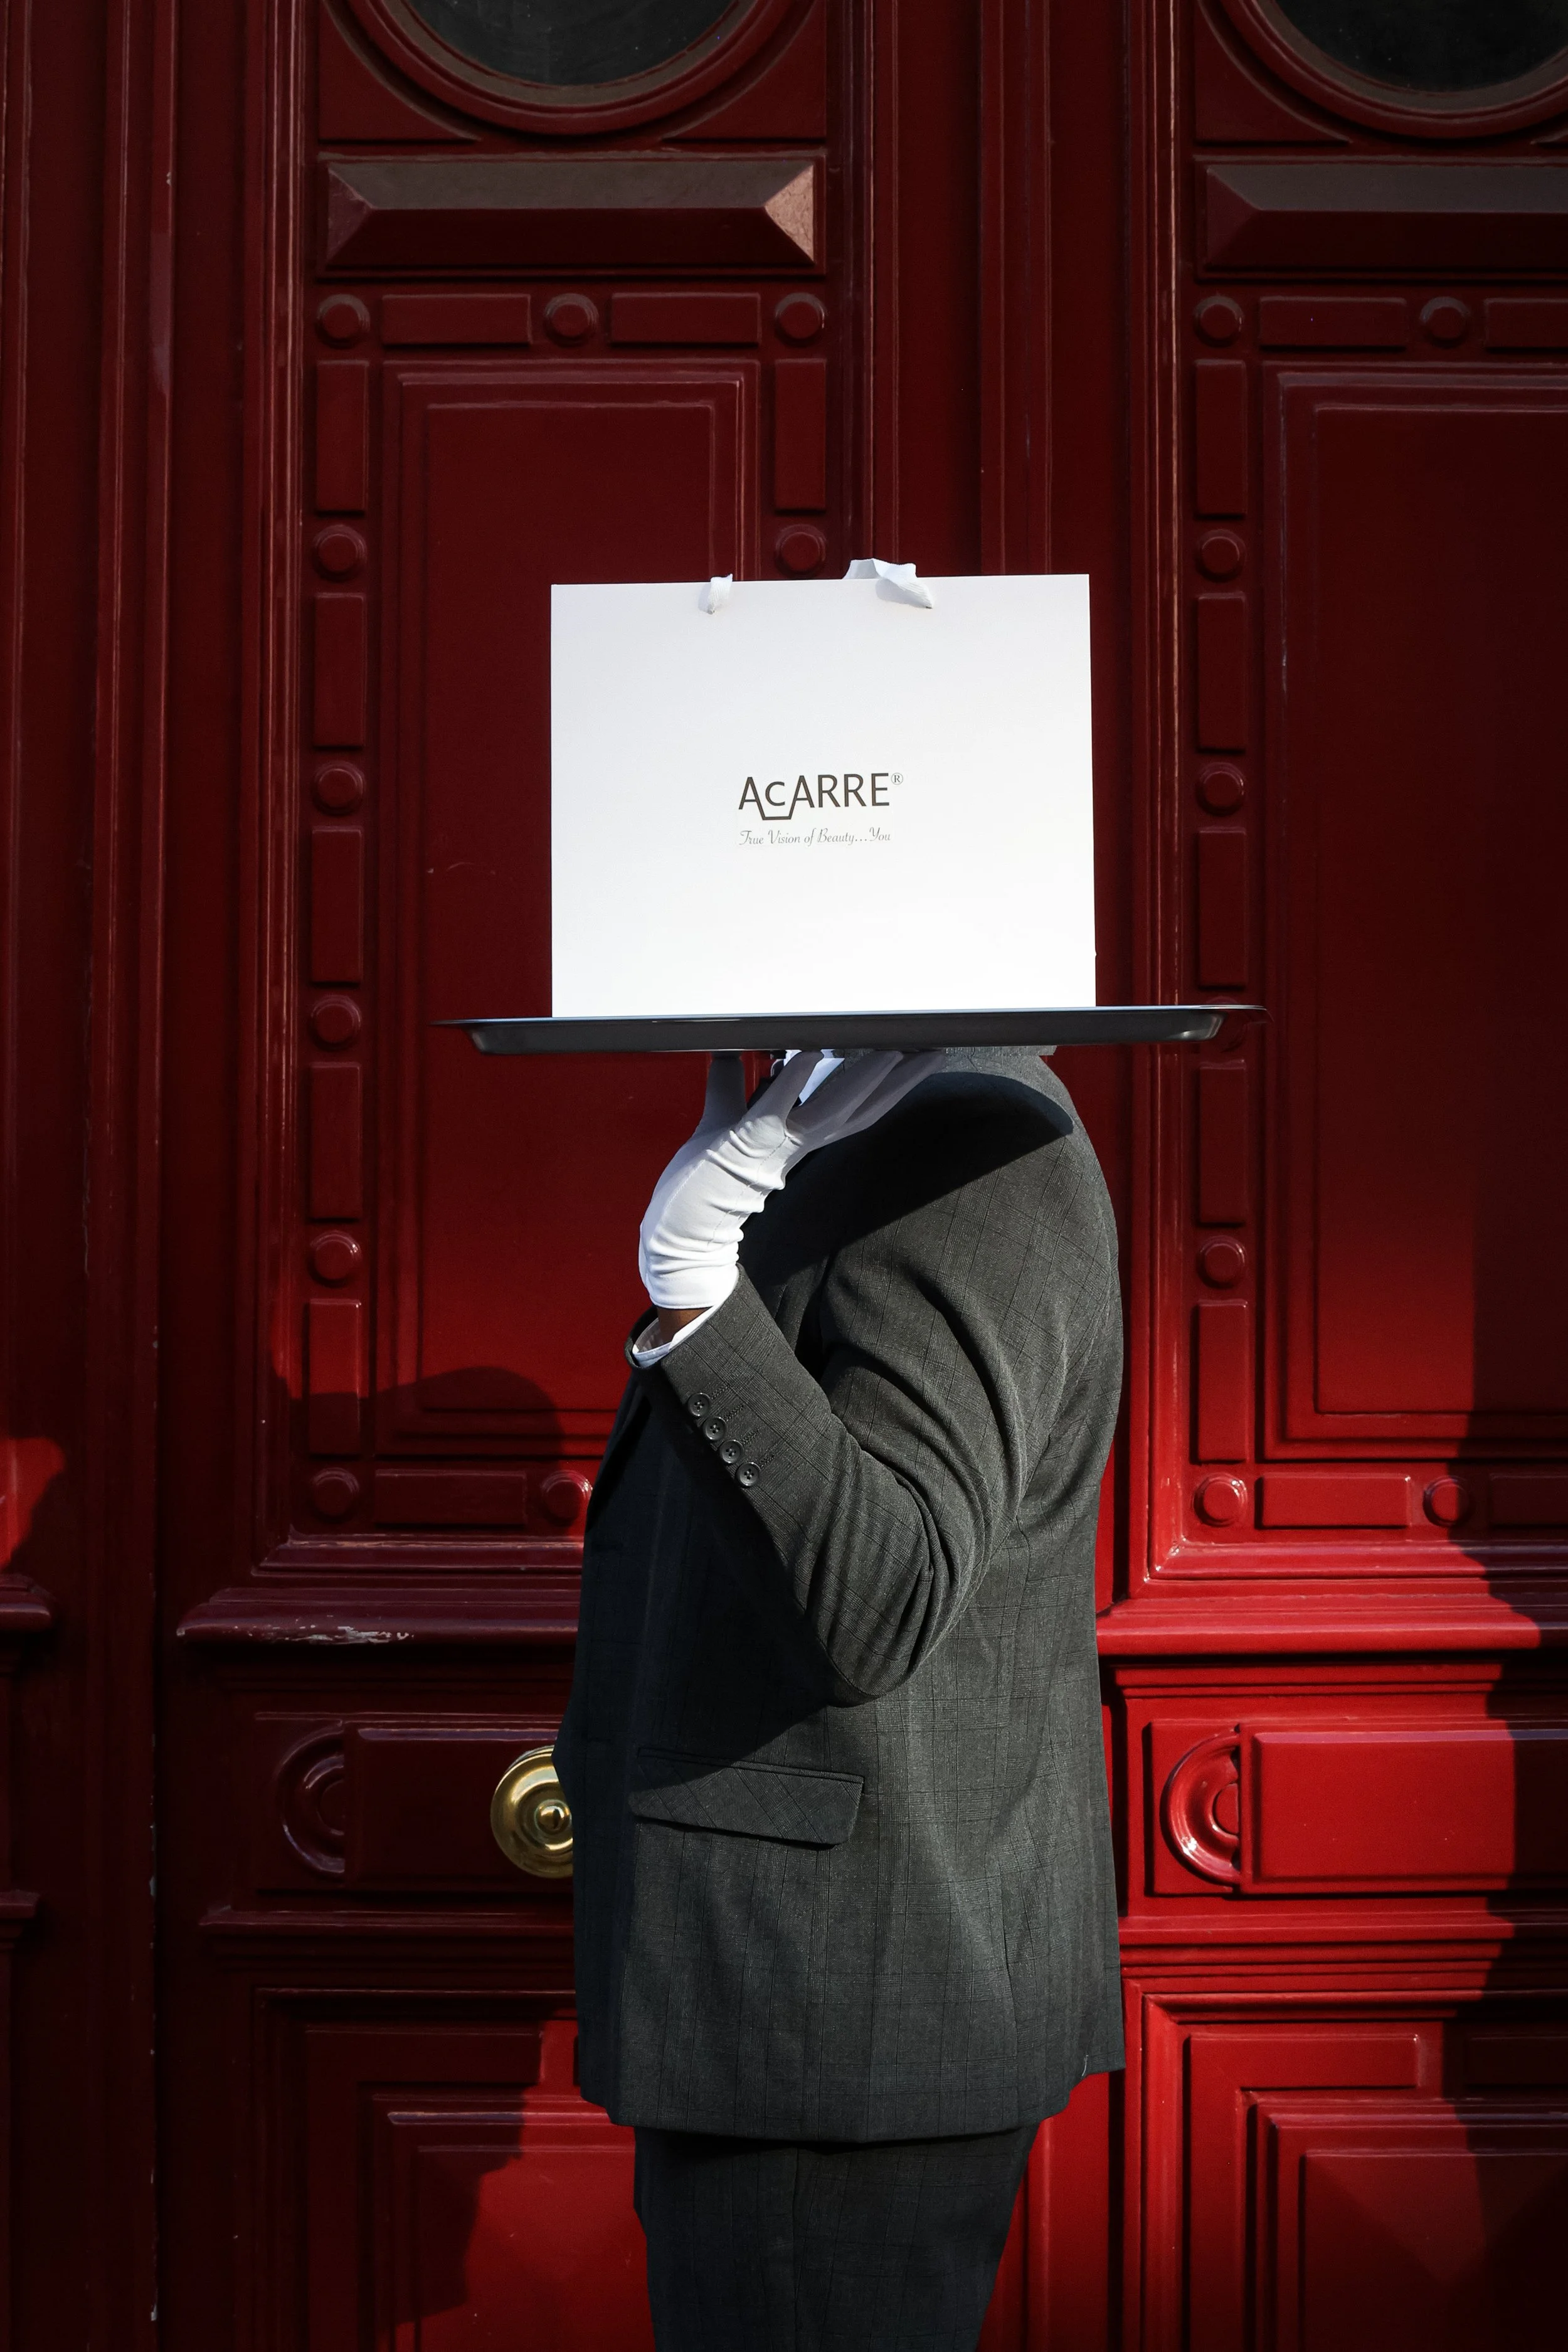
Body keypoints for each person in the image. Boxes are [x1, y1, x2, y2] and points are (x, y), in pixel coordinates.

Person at [553, 1043, 1123, 2351]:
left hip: (836, 2016)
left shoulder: (968, 1135)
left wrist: (697, 1295)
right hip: (784, 2010)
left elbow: (882, 1598)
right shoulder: (850, 1106)